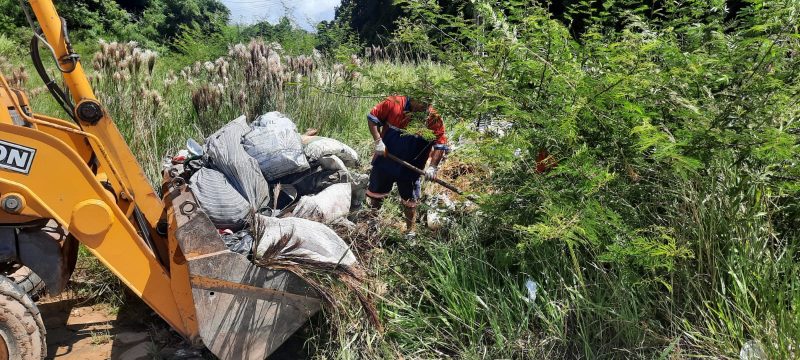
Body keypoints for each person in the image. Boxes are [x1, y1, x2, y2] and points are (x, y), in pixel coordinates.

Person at [366, 95, 448, 238]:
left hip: (411, 168)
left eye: (427, 104)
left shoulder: (433, 118)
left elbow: (440, 144)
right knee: (376, 195)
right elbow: (372, 118)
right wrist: (378, 141)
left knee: (410, 201)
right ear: (412, 97)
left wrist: (432, 167)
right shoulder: (393, 103)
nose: (424, 107)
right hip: (386, 160)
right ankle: (373, 223)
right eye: (421, 103)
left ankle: (410, 232)